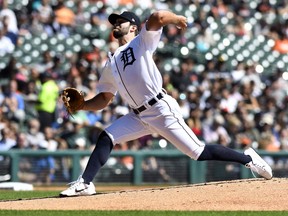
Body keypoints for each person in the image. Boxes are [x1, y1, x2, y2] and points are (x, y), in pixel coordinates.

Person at [60, 10, 272, 197]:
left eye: (121, 21)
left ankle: (247, 158)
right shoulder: (111, 62)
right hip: (138, 116)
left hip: (160, 108)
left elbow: (157, 17)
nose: (116, 24)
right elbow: (105, 98)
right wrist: (82, 106)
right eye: (114, 21)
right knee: (107, 137)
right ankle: (85, 183)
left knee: (197, 152)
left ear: (133, 27)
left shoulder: (141, 42)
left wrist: (176, 19)